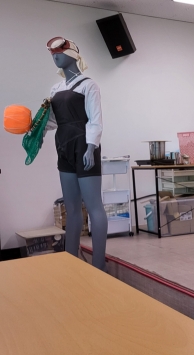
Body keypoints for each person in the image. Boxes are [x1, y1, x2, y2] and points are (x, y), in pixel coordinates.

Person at [42, 37, 108, 270]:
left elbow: (95, 120)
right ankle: (71, 262)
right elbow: (50, 121)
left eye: (59, 51)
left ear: (73, 54)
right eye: (52, 53)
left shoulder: (89, 85)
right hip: (63, 145)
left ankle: (99, 265)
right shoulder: (55, 88)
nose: (55, 56)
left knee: (93, 206)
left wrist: (91, 147)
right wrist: (37, 131)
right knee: (71, 208)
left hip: (84, 145)